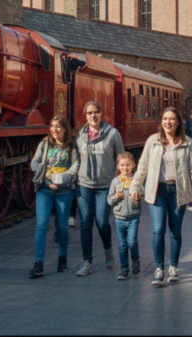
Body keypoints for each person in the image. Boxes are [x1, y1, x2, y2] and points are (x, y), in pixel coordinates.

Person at [130, 106, 192, 287]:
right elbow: (143, 166)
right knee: (157, 231)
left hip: (178, 191)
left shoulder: (187, 143)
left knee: (175, 232)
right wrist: (135, 185)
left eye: (172, 119)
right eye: (165, 119)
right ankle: (159, 269)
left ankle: (173, 267)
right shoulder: (153, 141)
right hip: (157, 191)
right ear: (161, 122)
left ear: (178, 122)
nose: (168, 122)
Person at [73, 101, 124, 276]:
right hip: (84, 185)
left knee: (102, 222)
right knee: (85, 223)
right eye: (89, 113)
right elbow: (76, 160)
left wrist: (120, 182)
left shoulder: (112, 134)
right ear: (85, 115)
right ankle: (87, 262)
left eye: (96, 112)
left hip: (105, 186)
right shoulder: (80, 135)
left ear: (102, 113)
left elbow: (121, 159)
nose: (92, 116)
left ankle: (108, 248)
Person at [29, 115, 79, 277]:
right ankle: (38, 262)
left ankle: (62, 258)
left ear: (65, 129)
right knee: (41, 226)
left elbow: (74, 168)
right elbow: (34, 163)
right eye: (52, 126)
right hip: (45, 190)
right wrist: (46, 176)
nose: (54, 129)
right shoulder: (44, 144)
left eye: (58, 126)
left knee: (63, 227)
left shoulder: (71, 146)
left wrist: (61, 179)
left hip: (64, 191)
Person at [107, 152, 142, 280]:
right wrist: (116, 196)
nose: (125, 168)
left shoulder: (136, 181)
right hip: (119, 218)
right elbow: (109, 200)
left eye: (127, 165)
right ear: (118, 166)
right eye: (122, 165)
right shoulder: (115, 182)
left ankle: (136, 261)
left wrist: (138, 197)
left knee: (132, 242)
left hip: (133, 216)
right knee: (122, 245)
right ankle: (124, 268)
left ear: (133, 165)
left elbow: (143, 194)